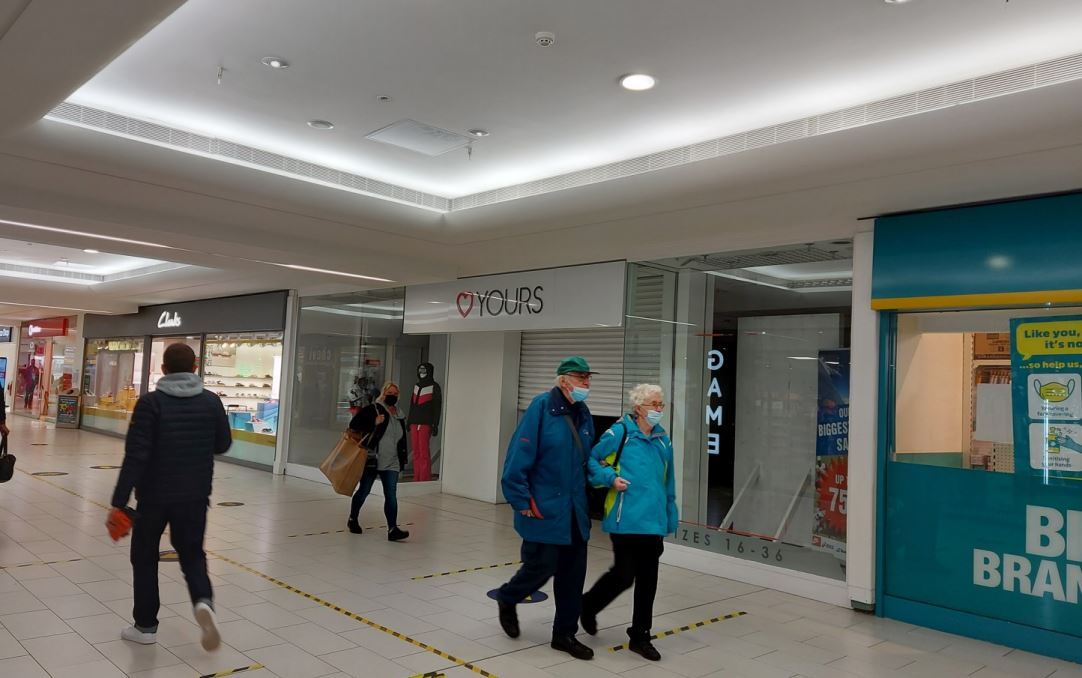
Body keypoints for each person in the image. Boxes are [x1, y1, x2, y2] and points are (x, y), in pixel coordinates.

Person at [109, 343, 232, 651]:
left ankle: (146, 626)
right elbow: (223, 445)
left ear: (163, 370)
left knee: (145, 556)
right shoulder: (211, 402)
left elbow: (136, 455)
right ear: (195, 368)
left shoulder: (151, 403)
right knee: (193, 554)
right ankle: (203, 602)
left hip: (153, 496)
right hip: (195, 495)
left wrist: (119, 501)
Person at [496, 356, 597, 660]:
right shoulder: (541, 409)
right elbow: (518, 456)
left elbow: (588, 459)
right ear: (564, 380)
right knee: (541, 566)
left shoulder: (584, 413)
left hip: (574, 511)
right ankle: (508, 596)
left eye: (588, 378)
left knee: (573, 574)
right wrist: (520, 499)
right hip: (544, 507)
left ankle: (564, 634)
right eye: (581, 378)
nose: (587, 384)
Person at [580, 383, 677, 661]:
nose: (659, 409)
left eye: (661, 404)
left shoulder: (662, 439)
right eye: (653, 404)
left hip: (653, 522)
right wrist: (610, 479)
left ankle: (640, 635)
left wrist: (670, 514)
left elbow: (668, 480)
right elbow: (592, 461)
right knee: (624, 575)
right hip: (625, 519)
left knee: (648, 580)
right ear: (638, 408)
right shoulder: (619, 433)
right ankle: (587, 605)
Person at [346, 382, 410, 541]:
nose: (392, 396)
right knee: (364, 491)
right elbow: (353, 424)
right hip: (373, 458)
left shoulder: (399, 414)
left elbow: (402, 439)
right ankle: (353, 519)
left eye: (395, 394)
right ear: (383, 393)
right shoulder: (373, 409)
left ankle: (392, 529)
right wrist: (373, 422)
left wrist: (403, 459)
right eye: (390, 392)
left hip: (392, 461)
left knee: (391, 495)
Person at [407, 362, 442, 481]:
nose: (422, 373)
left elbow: (437, 407)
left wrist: (435, 424)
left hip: (425, 424)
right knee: (416, 451)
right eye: (420, 370)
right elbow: (412, 405)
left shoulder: (434, 387)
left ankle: (424, 478)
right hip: (414, 423)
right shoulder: (416, 386)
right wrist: (409, 421)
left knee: (424, 452)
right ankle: (417, 477)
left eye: (424, 370)